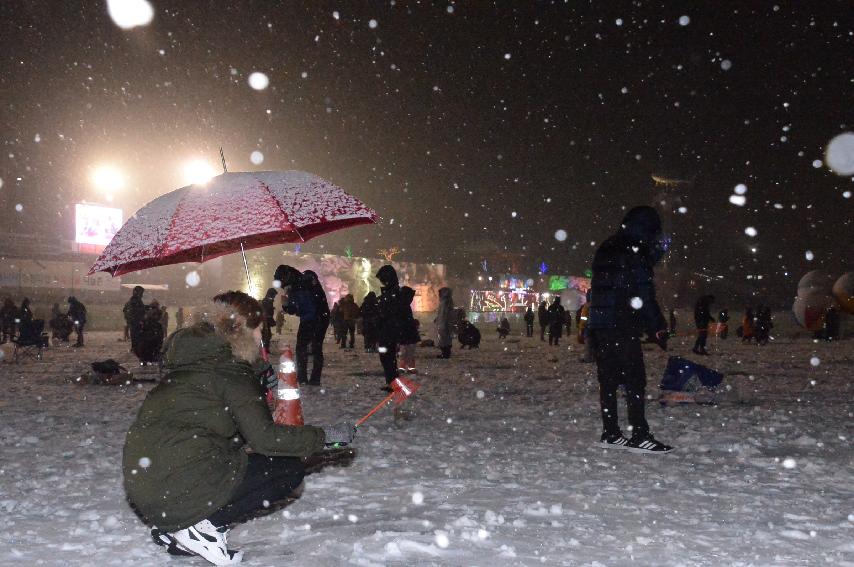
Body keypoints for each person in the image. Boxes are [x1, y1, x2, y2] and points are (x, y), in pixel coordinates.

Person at [122, 290, 355, 565]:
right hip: (176, 483)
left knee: (238, 459)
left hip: (148, 486)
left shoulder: (197, 361)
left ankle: (177, 527)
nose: (261, 337)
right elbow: (265, 439)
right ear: (242, 330)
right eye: (259, 329)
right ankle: (202, 526)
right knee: (287, 470)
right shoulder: (231, 371)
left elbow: (222, 431)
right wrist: (326, 437)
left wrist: (255, 377)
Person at [588, 205, 672, 453]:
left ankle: (611, 432)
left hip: (601, 324)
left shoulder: (608, 246)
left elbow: (600, 288)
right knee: (635, 380)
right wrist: (657, 325)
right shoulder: (634, 251)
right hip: (622, 323)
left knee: (609, 380)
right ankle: (639, 434)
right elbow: (643, 293)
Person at [275, 265, 330, 386]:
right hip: (317, 317)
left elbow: (300, 308)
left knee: (305, 347)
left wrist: (288, 303)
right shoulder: (300, 284)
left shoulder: (304, 281)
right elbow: (296, 309)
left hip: (314, 318)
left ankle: (306, 378)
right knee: (312, 348)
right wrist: (287, 304)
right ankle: (308, 378)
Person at [375, 265, 412, 388]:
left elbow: (391, 312)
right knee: (387, 357)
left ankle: (393, 383)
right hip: (388, 331)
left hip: (389, 331)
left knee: (387, 357)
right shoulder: (393, 292)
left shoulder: (393, 293)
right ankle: (392, 382)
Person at [397, 287, 420, 372]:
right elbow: (406, 319)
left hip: (405, 331)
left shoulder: (402, 304)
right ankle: (409, 367)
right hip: (408, 331)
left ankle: (404, 367)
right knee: (409, 350)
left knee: (405, 350)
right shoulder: (404, 305)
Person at [124, 286, 147, 351]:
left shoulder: (134, 300)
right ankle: (135, 348)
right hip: (136, 321)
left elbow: (126, 310)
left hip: (134, 321)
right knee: (136, 335)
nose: (142, 294)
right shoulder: (135, 301)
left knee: (135, 335)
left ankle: (135, 347)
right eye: (141, 293)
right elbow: (137, 311)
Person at [435, 287, 455, 359]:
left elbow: (445, 313)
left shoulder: (446, 302)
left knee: (445, 338)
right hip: (443, 322)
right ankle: (445, 353)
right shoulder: (445, 301)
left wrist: (443, 321)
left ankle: (445, 354)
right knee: (444, 338)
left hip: (445, 323)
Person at [260, 288, 277, 355]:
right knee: (266, 335)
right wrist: (269, 318)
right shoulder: (266, 301)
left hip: (267, 320)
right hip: (265, 321)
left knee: (267, 335)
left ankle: (265, 349)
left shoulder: (269, 300)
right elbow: (266, 311)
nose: (274, 297)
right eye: (274, 295)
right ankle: (264, 349)